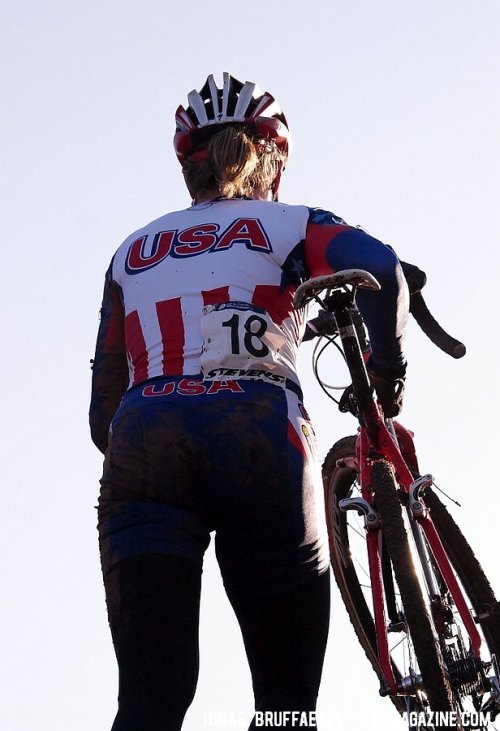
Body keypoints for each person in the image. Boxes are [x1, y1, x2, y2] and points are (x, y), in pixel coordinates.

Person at [90, 72, 409, 730]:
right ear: (273, 158)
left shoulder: (132, 250)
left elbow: (102, 414)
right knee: (285, 707)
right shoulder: (292, 222)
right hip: (260, 429)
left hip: (144, 436)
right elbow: (383, 269)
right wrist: (388, 368)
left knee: (151, 697)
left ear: (190, 167)